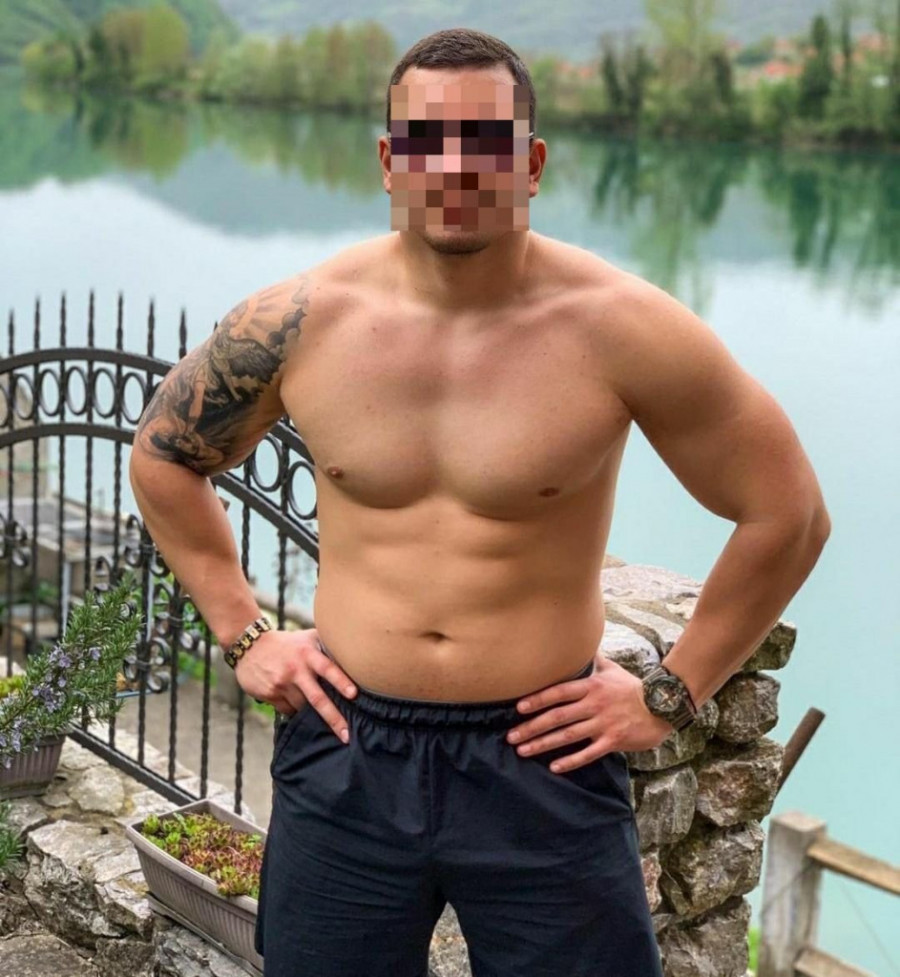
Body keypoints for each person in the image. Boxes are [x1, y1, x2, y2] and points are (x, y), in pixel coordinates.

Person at [129, 27, 831, 977]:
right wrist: (245, 632)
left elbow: (788, 512)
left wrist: (671, 692)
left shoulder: (622, 327)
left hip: (543, 756)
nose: (455, 167)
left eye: (486, 140)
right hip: (347, 749)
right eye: (426, 140)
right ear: (390, 161)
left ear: (530, 163)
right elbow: (163, 458)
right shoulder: (302, 321)